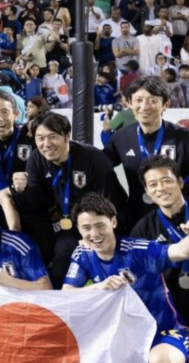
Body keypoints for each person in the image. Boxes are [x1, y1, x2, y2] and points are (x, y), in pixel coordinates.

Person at [63, 193, 189, 363]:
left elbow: (182, 251)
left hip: (162, 330)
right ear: (78, 229)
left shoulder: (139, 250)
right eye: (86, 228)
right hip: (120, 335)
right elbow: (67, 295)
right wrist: (99, 287)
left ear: (113, 222)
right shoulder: (82, 254)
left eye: (100, 225)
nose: (94, 234)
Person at [14, 112, 126, 287]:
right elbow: (34, 205)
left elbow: (111, 205)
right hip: (64, 227)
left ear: (67, 136)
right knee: (52, 264)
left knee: (79, 263)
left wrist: (89, 233)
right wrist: (21, 190)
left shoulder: (93, 158)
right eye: (40, 138)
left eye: (53, 137)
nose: (46, 144)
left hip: (99, 227)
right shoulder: (36, 158)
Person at [130, 155, 189, 363]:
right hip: (172, 312)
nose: (160, 188)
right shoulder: (144, 227)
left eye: (166, 180)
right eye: (153, 184)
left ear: (181, 182)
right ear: (147, 191)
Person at [104, 76, 189, 217]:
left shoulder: (186, 138)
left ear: (166, 104)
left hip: (181, 218)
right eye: (138, 100)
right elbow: (99, 166)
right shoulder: (121, 137)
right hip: (137, 218)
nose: (144, 107)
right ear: (130, 103)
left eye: (152, 100)